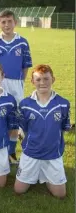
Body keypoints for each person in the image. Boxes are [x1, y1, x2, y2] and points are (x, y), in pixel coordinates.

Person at [14, 64, 70, 199]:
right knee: (19, 190)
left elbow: (63, 127)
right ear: (32, 82)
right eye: (38, 79)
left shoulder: (63, 103)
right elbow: (24, 128)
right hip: (31, 153)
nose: (42, 82)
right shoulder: (25, 104)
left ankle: (44, 174)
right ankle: (36, 173)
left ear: (53, 79)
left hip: (53, 154)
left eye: (46, 79)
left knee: (60, 194)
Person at [0, 9, 33, 163]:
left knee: (14, 117)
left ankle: (11, 151)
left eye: (10, 21)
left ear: (15, 23)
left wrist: (20, 81)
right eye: (3, 22)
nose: (7, 25)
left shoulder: (22, 42)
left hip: (16, 83)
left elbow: (26, 66)